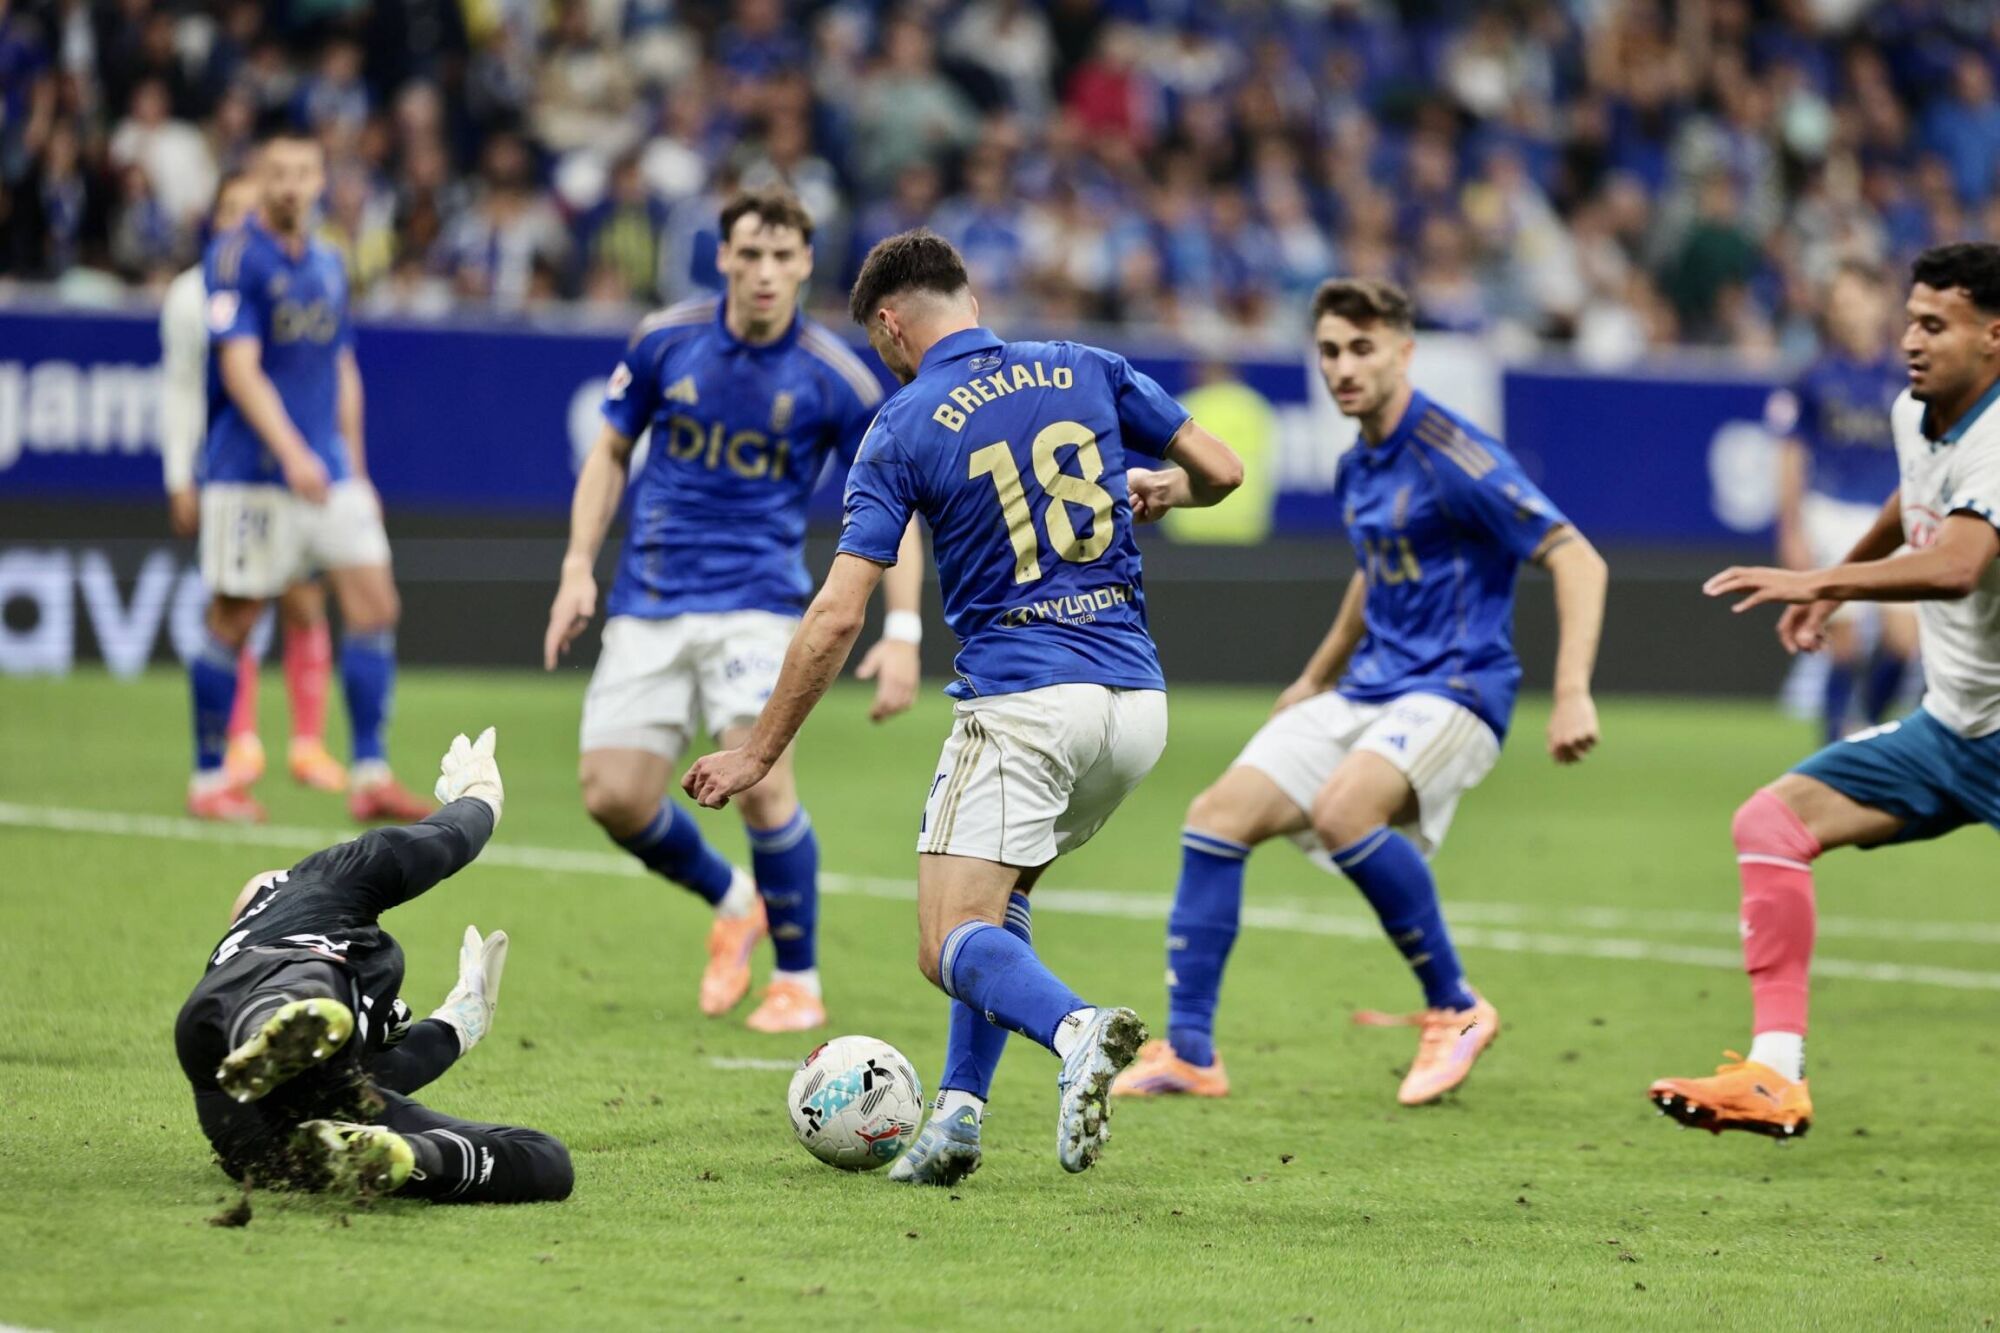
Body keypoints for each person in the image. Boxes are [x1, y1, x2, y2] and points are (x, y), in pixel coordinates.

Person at [684, 229, 1244, 1185]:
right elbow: (1223, 471)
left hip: (1026, 700)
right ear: (970, 299)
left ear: (892, 327)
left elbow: (835, 615)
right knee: (999, 900)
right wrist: (1164, 487)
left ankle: (1075, 1032)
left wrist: (757, 752)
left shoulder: (902, 423)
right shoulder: (1086, 364)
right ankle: (956, 1117)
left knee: (947, 941)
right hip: (1136, 704)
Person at [1111, 277, 1608, 1108]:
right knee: (1215, 817)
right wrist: (1313, 679)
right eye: (1331, 352)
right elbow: (1372, 576)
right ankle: (1191, 1052)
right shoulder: (1358, 464)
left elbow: (1574, 554)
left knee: (1346, 812)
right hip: (1372, 685)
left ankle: (1456, 1007)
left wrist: (1573, 692)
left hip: (1456, 688)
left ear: (1404, 352)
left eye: (1363, 348)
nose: (1344, 367)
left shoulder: (1454, 453)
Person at [544, 189, 923, 1034]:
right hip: (649, 598)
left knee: (761, 777)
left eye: (783, 257)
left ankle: (799, 979)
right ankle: (734, 900)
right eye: (749, 254)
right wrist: (577, 567)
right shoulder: (663, 342)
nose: (764, 272)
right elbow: (609, 452)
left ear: (805, 265)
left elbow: (900, 502)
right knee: (612, 795)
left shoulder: (837, 376)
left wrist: (902, 630)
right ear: (722, 257)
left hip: (759, 603)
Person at [1652, 243, 2000, 1139]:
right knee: (1771, 820)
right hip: (1954, 730)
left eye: (1935, 324)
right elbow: (1913, 498)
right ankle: (1775, 1073)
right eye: (1910, 319)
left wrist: (1810, 583)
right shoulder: (1912, 411)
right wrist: (1841, 578)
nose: (1910, 339)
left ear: (1994, 336)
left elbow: (1960, 566)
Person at [175, 728, 574, 1203]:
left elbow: (383, 1075)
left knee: (546, 1159)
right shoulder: (312, 888)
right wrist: (481, 798)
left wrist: (459, 1023)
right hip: (240, 1037)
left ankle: (405, 1156)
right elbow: (443, 840)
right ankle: (266, 1029)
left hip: (255, 1139)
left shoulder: (330, 994)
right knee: (310, 981)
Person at [187, 130, 430, 824]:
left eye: (305, 173)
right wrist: (293, 452)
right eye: (280, 173)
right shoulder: (233, 257)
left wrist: (352, 461)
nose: (293, 185)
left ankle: (371, 772)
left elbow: (341, 366)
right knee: (233, 618)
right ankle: (209, 781)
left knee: (375, 604)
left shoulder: (328, 259)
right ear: (260, 181)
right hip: (255, 474)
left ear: (322, 181)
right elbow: (239, 368)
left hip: (329, 471)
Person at [160, 167, 344, 797]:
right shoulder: (193, 295)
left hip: (295, 472)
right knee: (236, 607)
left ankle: (307, 744)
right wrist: (180, 473)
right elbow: (183, 390)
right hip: (238, 474)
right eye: (230, 209)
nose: (242, 220)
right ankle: (231, 746)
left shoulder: (295, 278)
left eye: (250, 208)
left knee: (302, 598)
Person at [1768, 261, 1918, 743]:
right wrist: (1790, 531)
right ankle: (1834, 747)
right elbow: (1792, 455)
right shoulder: (1813, 377)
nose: (1846, 311)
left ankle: (1866, 727)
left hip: (1890, 517)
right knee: (1844, 644)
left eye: (1855, 298)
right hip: (1829, 511)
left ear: (1879, 302)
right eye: (1838, 302)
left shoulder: (1906, 377)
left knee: (1904, 641)